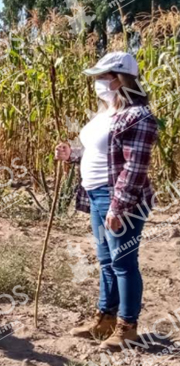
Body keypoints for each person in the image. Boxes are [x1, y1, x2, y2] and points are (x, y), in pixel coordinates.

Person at [55, 52, 157, 350]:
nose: (98, 82)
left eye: (103, 77)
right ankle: (105, 318)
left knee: (123, 262)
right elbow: (99, 152)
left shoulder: (138, 116)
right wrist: (72, 155)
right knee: (106, 261)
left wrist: (119, 205)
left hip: (119, 198)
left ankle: (128, 326)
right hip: (96, 194)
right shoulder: (106, 112)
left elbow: (134, 167)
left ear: (119, 79)